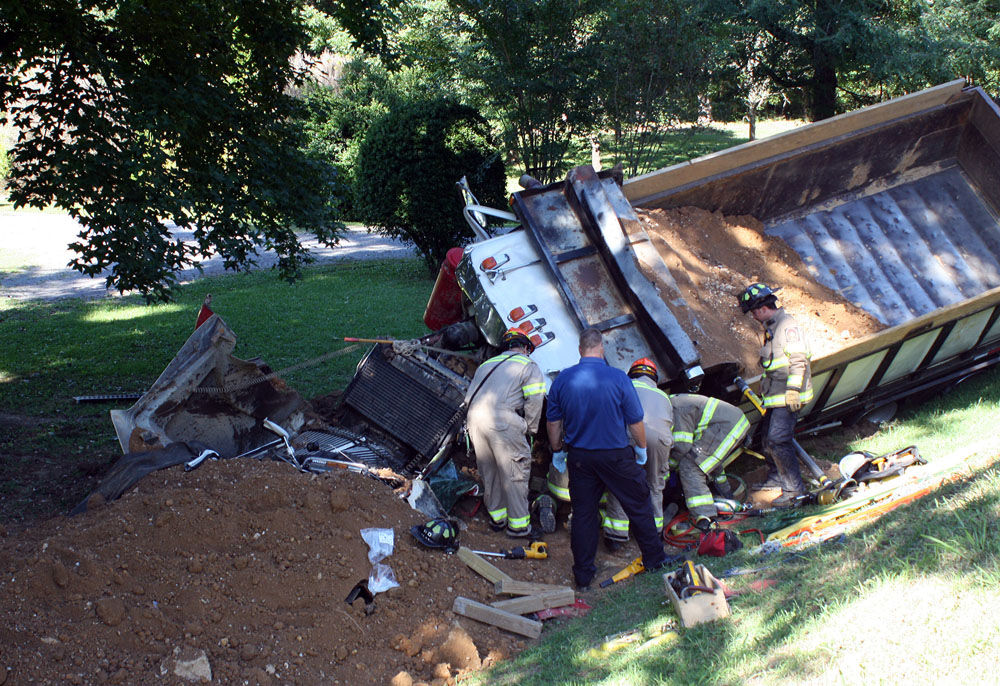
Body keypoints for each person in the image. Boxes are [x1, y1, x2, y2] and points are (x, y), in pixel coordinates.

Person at [546, 328, 668, 590]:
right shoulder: (619, 378)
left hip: (580, 459)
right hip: (616, 455)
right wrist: (642, 449)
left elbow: (553, 422)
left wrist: (557, 451)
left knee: (584, 515)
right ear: (601, 349)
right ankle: (655, 559)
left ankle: (583, 575)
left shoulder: (562, 380)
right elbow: (635, 420)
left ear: (580, 350)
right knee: (638, 504)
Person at [465, 328, 546, 537]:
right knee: (515, 473)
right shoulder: (528, 365)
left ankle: (497, 518)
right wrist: (530, 428)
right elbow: (535, 400)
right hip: (502, 421)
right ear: (526, 348)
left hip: (474, 419)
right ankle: (518, 526)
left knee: (489, 471)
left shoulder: (486, 365)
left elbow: (468, 398)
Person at [738, 283, 814, 506]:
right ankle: (776, 478)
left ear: (762, 308)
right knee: (766, 440)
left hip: (786, 397)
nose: (753, 316)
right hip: (775, 397)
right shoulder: (771, 327)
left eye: (753, 311)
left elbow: (798, 359)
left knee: (778, 441)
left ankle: (794, 492)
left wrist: (793, 391)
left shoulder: (787, 326)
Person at [602, 358, 674, 550]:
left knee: (621, 483)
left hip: (631, 434)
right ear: (654, 378)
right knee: (655, 484)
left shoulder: (623, 386)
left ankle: (616, 536)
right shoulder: (664, 396)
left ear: (632, 374)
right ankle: (654, 534)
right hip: (660, 440)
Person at [668, 393, 750, 529]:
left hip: (725, 426)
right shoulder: (674, 402)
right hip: (733, 422)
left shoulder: (675, 408)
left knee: (690, 466)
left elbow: (682, 447)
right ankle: (727, 498)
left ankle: (705, 520)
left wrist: (669, 466)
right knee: (706, 462)